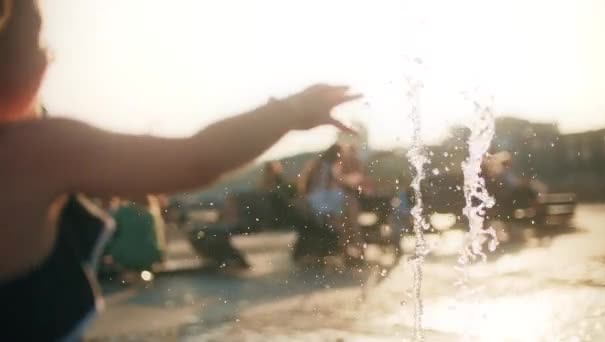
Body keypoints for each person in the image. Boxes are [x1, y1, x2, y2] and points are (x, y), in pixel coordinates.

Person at [0, 1, 361, 340]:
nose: (49, 57)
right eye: (39, 43)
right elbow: (197, 159)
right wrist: (292, 110)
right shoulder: (34, 149)